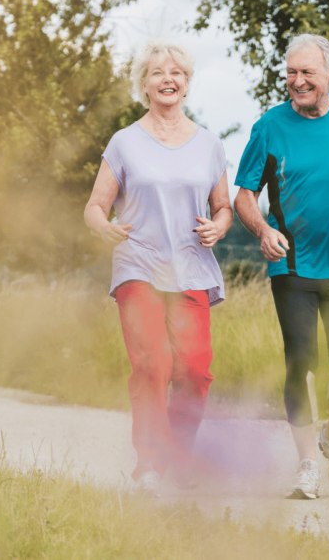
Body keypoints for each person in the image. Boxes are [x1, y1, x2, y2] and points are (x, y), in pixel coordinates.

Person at [234, 33, 329, 499]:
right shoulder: (270, 126)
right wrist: (264, 231)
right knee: (301, 361)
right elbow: (244, 193)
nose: (297, 81)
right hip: (293, 267)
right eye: (291, 73)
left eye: (307, 73)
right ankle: (306, 464)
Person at [84, 40, 231, 496]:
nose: (168, 79)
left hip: (189, 266)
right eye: (157, 73)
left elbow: (223, 206)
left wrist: (219, 228)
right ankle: (150, 461)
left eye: (177, 73)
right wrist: (102, 226)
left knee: (196, 368)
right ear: (144, 85)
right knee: (153, 362)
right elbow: (94, 206)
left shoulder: (209, 144)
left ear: (187, 84)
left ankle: (179, 457)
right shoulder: (125, 141)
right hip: (139, 264)